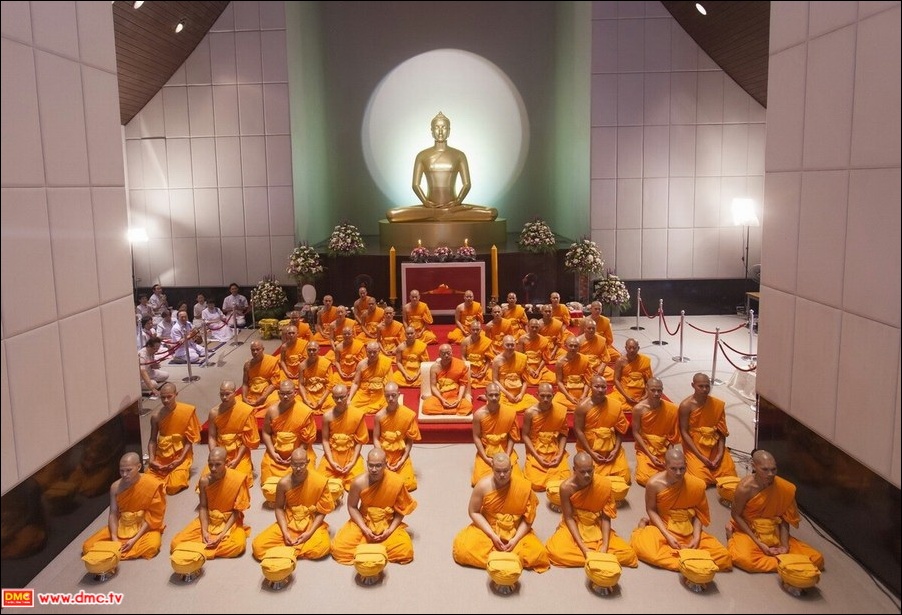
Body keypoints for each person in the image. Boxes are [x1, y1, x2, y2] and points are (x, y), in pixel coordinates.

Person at [630, 448, 731, 572]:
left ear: (686, 466)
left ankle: (688, 563)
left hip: (688, 530)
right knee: (647, 550)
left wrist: (696, 537)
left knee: (723, 557)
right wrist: (668, 536)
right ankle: (642, 528)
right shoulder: (654, 484)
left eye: (682, 468)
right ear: (665, 466)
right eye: (673, 469)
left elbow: (700, 513)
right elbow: (651, 510)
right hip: (664, 528)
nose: (678, 473)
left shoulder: (697, 484)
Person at [386, 112, 498, 222]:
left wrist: (458, 201)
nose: (440, 131)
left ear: (449, 131)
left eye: (444, 127)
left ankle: (442, 214)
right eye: (436, 127)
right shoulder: (422, 155)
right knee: (391, 214)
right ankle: (441, 214)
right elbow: (415, 185)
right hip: (429, 207)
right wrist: (425, 202)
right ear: (431, 131)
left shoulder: (459, 155)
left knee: (491, 213)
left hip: (454, 207)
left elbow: (467, 184)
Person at [727, 450, 824, 574]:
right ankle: (732, 536)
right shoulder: (745, 488)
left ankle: (783, 562)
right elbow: (735, 514)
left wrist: (784, 546)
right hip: (749, 530)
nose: (770, 474)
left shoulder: (784, 488)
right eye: (765, 469)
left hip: (774, 532)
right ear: (753, 466)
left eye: (774, 469)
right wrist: (759, 543)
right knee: (745, 560)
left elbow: (784, 519)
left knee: (817, 559)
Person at [452, 452, 550, 574]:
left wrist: (515, 540)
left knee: (538, 554)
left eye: (506, 471)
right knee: (463, 549)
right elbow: (474, 512)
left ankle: (500, 559)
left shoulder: (523, 487)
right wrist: (493, 535)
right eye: (498, 471)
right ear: (492, 468)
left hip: (515, 530)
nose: (502, 475)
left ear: (512, 468)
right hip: (490, 529)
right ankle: (509, 560)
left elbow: (528, 520)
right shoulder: (482, 486)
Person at [545, 452, 637, 568]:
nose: (587, 475)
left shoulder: (604, 484)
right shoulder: (566, 488)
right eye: (582, 472)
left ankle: (597, 553)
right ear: (574, 470)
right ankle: (594, 555)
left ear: (594, 468)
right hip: (576, 522)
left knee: (628, 554)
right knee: (557, 552)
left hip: (596, 524)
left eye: (590, 471)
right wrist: (583, 548)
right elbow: (568, 518)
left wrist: (605, 545)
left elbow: (605, 517)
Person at [331, 448, 417, 568]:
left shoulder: (396, 482)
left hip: (387, 522)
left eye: (378, 466)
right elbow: (352, 507)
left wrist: (389, 531)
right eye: (371, 466)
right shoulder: (358, 482)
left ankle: (369, 548)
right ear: (367, 463)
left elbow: (401, 510)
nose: (374, 470)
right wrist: (365, 529)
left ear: (385, 464)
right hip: (364, 520)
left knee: (404, 550)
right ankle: (375, 547)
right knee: (339, 549)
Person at [251, 448, 335, 561]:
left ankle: (287, 552)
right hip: (289, 520)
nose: (299, 469)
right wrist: (285, 532)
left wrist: (309, 533)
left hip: (311, 521)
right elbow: (279, 508)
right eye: (295, 465)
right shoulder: (283, 483)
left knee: (322, 548)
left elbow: (323, 511)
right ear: (290, 463)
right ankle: (296, 549)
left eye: (302, 464)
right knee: (258, 547)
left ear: (308, 462)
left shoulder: (320, 481)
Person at [169, 447, 250, 559]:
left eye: (217, 464)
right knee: (175, 543)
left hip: (229, 520)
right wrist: (205, 531)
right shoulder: (204, 481)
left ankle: (200, 551)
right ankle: (207, 547)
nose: (213, 468)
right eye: (210, 464)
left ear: (226, 462)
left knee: (237, 546)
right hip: (209, 518)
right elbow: (203, 507)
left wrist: (221, 535)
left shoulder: (237, 479)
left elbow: (237, 512)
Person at [82, 453, 166, 560]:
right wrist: (114, 537)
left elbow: (153, 516)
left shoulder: (151, 484)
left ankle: (116, 552)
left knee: (151, 547)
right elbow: (113, 513)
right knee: (88, 546)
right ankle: (118, 549)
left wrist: (134, 539)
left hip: (144, 526)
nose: (124, 474)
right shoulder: (115, 487)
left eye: (128, 470)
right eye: (122, 471)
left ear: (139, 467)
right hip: (122, 525)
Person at [260, 380, 317, 500]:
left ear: (295, 393)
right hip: (277, 454)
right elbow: (266, 432)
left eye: (288, 393)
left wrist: (297, 455)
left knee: (308, 474)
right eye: (282, 393)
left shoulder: (304, 411)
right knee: (267, 470)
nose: (285, 396)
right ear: (278, 394)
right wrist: (272, 452)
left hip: (299, 454)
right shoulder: (272, 411)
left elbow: (308, 439)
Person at [678, 373, 737, 486]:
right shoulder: (686, 405)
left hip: (713, 444)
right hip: (694, 445)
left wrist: (719, 455)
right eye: (701, 386)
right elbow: (684, 432)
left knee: (730, 474)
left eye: (707, 386)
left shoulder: (717, 404)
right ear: (693, 385)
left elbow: (721, 431)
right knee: (699, 480)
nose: (705, 389)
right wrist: (700, 456)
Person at [574, 375, 631, 485]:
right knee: (591, 478)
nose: (600, 390)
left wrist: (615, 450)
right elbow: (578, 430)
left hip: (611, 447)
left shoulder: (615, 405)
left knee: (625, 478)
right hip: (590, 447)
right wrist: (591, 452)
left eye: (603, 387)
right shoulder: (582, 406)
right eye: (597, 386)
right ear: (590, 386)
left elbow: (621, 429)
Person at [146, 383, 200, 495]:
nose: (166, 400)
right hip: (162, 456)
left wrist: (180, 460)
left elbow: (190, 439)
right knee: (148, 484)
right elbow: (152, 440)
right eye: (163, 397)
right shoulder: (156, 416)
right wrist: (151, 460)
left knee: (173, 487)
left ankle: (182, 470)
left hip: (181, 455)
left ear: (176, 394)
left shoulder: (187, 411)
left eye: (169, 397)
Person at [206, 381, 260, 488]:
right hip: (220, 453)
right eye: (222, 394)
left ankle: (246, 464)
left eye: (227, 394)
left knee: (240, 482)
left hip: (239, 452)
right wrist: (215, 457)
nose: (224, 397)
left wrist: (237, 459)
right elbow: (211, 436)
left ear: (235, 393)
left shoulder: (245, 411)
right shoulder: (214, 412)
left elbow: (247, 439)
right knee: (208, 483)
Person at [318, 384, 369, 491]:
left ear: (348, 395)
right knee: (320, 483)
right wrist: (331, 461)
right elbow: (325, 440)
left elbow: (360, 441)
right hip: (333, 454)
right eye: (336, 397)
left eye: (342, 397)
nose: (340, 400)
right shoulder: (327, 416)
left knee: (359, 484)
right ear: (332, 398)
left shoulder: (357, 414)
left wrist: (352, 462)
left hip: (351, 455)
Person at [632, 377, 680, 486]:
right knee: (644, 478)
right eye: (653, 390)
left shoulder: (671, 409)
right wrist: (650, 455)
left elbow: (672, 436)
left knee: (677, 472)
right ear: (646, 389)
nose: (657, 393)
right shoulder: (638, 409)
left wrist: (670, 454)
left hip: (664, 447)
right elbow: (635, 433)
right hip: (646, 447)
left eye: (659, 390)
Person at [521, 383, 570, 492]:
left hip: (554, 450)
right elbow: (525, 435)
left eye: (549, 396)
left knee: (565, 479)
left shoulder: (561, 410)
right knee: (535, 483)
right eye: (542, 396)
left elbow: (563, 433)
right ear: (537, 395)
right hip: (536, 450)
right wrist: (537, 457)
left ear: (553, 395)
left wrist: (560, 454)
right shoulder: (530, 413)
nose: (546, 399)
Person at [470, 383, 521, 486]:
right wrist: (485, 458)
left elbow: (512, 436)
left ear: (500, 395)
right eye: (491, 395)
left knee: (516, 479)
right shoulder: (479, 415)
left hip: (505, 449)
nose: (494, 398)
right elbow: (476, 437)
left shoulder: (510, 412)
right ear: (486, 395)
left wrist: (507, 455)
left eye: (496, 395)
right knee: (479, 481)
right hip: (487, 452)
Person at [373, 382, 421, 491]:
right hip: (384, 453)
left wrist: (402, 460)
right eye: (387, 396)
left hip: (400, 454)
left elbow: (409, 440)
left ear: (399, 394)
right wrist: (382, 459)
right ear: (384, 395)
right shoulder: (379, 416)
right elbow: (376, 438)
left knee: (408, 484)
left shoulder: (408, 414)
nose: (390, 398)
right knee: (379, 483)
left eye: (393, 395)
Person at [421, 344, 473, 416]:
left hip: (455, 396)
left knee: (468, 407)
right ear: (439, 355)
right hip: (440, 397)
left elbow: (463, 384)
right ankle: (453, 411)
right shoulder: (434, 367)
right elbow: (433, 386)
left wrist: (459, 399)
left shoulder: (460, 364)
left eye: (448, 353)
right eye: (443, 354)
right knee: (426, 407)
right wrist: (442, 400)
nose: (446, 356)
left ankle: (444, 411)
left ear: (452, 353)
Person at [491, 335, 537, 413]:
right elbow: (495, 380)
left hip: (518, 392)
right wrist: (507, 394)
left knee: (535, 403)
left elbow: (525, 380)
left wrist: (521, 395)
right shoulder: (497, 360)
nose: (510, 347)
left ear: (515, 345)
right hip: (504, 393)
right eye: (507, 345)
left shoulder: (522, 358)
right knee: (496, 403)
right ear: (503, 345)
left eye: (512, 345)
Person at [348, 341, 394, 415]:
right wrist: (349, 399)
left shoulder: (386, 362)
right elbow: (356, 383)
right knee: (351, 408)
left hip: (379, 393)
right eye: (369, 352)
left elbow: (390, 381)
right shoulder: (361, 364)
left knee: (389, 407)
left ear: (379, 351)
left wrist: (390, 395)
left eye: (374, 352)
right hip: (364, 393)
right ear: (366, 352)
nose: (372, 355)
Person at [241, 340, 283, 417]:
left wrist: (263, 397)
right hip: (252, 393)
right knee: (236, 404)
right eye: (253, 350)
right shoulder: (247, 365)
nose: (255, 352)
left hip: (267, 392)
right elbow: (245, 383)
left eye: (257, 349)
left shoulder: (272, 361)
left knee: (275, 402)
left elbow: (275, 383)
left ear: (263, 349)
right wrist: (244, 397)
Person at [611, 338, 654, 409]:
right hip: (624, 391)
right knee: (612, 404)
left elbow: (649, 381)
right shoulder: (620, 361)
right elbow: (616, 380)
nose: (632, 350)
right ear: (625, 348)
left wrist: (645, 396)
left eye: (634, 348)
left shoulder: (645, 360)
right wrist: (626, 396)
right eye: (629, 348)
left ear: (638, 348)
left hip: (640, 392)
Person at [552, 336, 591, 411]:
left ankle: (581, 405)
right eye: (571, 346)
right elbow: (559, 381)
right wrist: (568, 396)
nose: (573, 348)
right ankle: (582, 407)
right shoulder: (560, 362)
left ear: (579, 347)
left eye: (575, 346)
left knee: (595, 398)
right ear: (566, 346)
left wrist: (584, 395)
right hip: (567, 390)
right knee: (555, 402)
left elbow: (588, 380)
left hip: (582, 389)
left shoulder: (585, 360)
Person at [298, 341, 335, 414]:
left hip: (323, 392)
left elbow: (330, 384)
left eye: (314, 350)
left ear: (319, 350)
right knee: (297, 402)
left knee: (332, 403)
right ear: (306, 350)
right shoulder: (302, 365)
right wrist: (305, 399)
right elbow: (301, 384)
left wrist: (321, 400)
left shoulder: (325, 363)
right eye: (309, 350)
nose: (311, 352)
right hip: (309, 391)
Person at [516, 318, 555, 386]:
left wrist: (538, 370)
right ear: (528, 327)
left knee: (553, 379)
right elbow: (520, 357)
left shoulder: (544, 340)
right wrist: (529, 369)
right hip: (526, 366)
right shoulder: (522, 339)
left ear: (539, 328)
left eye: (536, 327)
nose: (534, 329)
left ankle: (530, 381)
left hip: (538, 366)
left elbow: (545, 359)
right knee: (519, 378)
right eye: (532, 327)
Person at [460, 321, 493, 388]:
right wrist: (469, 369)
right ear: (470, 330)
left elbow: (488, 359)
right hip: (469, 366)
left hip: (482, 367)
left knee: (492, 377)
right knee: (463, 378)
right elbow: (463, 356)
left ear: (481, 330)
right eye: (473, 330)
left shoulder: (486, 341)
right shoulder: (465, 341)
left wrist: (484, 371)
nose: (475, 332)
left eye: (477, 330)